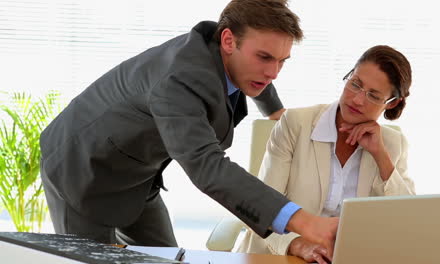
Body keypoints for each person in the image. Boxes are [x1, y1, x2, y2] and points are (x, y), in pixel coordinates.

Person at [39, 0, 338, 257]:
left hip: (138, 177)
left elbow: (260, 72)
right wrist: (304, 221)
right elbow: (207, 167)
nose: (273, 72)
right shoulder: (179, 80)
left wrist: (274, 110)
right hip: (82, 171)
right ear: (228, 40)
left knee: (167, 258)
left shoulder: (225, 51)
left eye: (282, 61)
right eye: (264, 58)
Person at [237, 45, 416, 263]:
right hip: (286, 256)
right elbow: (262, 208)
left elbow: (406, 222)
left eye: (373, 96)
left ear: (392, 103)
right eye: (356, 84)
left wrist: (381, 156)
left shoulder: (392, 144)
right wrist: (297, 244)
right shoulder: (296, 124)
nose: (358, 100)